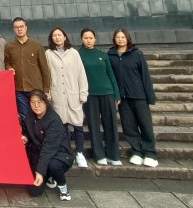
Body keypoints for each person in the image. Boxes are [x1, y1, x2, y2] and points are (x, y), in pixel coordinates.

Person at [107, 28, 158, 167]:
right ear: (114, 39)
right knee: (128, 126)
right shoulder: (110, 55)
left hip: (139, 95)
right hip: (123, 98)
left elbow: (145, 75)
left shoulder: (136, 54)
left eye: (123, 37)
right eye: (118, 37)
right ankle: (136, 151)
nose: (120, 39)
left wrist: (149, 96)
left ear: (128, 38)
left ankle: (150, 153)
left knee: (145, 125)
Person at [46, 27, 89, 168]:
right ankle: (67, 152)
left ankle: (80, 153)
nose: (57, 38)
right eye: (54, 35)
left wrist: (83, 93)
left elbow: (81, 74)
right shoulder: (48, 54)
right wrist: (47, 92)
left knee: (78, 126)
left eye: (59, 35)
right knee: (62, 126)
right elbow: (47, 75)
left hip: (73, 94)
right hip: (58, 95)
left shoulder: (74, 53)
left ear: (65, 37)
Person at [78, 28, 122, 166]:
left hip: (107, 92)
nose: (88, 40)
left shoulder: (102, 54)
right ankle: (99, 154)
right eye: (86, 38)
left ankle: (113, 155)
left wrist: (116, 93)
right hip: (90, 94)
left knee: (111, 124)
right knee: (94, 125)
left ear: (95, 39)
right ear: (81, 39)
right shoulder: (78, 54)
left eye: (91, 38)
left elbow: (110, 74)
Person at [21, 89, 74, 200]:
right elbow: (29, 132)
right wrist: (26, 137)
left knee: (53, 165)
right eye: (32, 102)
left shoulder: (53, 120)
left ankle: (63, 186)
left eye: (39, 102)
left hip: (58, 153)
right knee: (34, 191)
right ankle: (49, 176)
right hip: (39, 153)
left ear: (45, 102)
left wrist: (40, 172)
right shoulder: (30, 115)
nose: (36, 105)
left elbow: (49, 148)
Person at [4, 17, 51, 122]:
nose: (19, 29)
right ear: (13, 29)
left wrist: (46, 89)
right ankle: (29, 133)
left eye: (21, 26)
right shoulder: (9, 46)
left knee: (39, 115)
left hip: (35, 88)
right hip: (19, 89)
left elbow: (44, 68)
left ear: (26, 28)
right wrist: (9, 68)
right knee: (25, 117)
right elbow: (7, 62)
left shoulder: (36, 45)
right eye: (16, 27)